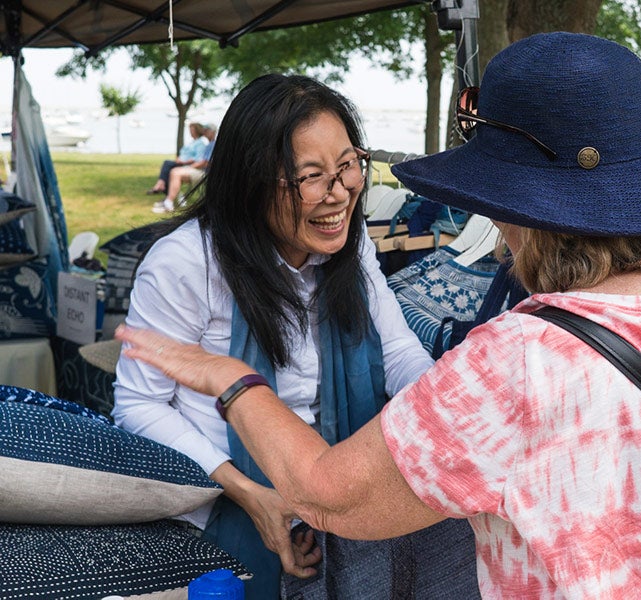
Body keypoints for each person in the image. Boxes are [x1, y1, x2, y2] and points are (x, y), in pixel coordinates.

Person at [116, 33, 641, 599]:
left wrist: (231, 379)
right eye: (310, 176)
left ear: (522, 213)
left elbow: (329, 495)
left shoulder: (519, 361)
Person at [113, 74, 478, 598]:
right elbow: (139, 405)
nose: (341, 193)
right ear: (251, 183)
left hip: (337, 492)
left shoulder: (349, 242)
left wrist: (444, 415)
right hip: (223, 505)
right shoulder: (186, 263)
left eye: (348, 166)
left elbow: (399, 351)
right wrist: (249, 493)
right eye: (312, 177)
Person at [151, 124, 217, 214]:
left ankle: (168, 203)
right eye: (204, 130)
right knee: (173, 170)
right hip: (202, 171)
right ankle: (170, 200)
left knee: (175, 172)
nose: (204, 132)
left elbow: (205, 163)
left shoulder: (212, 144)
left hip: (205, 174)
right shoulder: (209, 144)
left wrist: (188, 167)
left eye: (207, 130)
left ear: (213, 132)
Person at [145, 122, 209, 196]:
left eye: (192, 130)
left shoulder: (200, 143)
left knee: (168, 164)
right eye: (190, 130)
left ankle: (161, 186)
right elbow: (184, 153)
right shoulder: (192, 142)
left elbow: (198, 158)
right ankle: (163, 187)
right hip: (181, 162)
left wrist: (183, 162)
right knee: (168, 166)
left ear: (197, 131)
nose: (190, 132)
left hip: (187, 164)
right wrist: (179, 158)